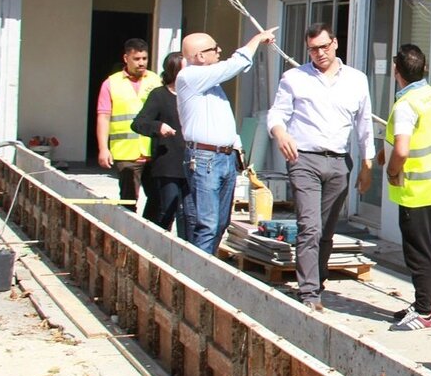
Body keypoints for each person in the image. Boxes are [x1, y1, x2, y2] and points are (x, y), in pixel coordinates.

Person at [266, 23, 374, 312]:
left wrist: (367, 163)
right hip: (304, 160)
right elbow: (277, 113)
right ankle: (309, 292)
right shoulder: (294, 78)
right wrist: (280, 133)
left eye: (324, 46)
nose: (320, 53)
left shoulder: (356, 80)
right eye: (314, 49)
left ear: (335, 44)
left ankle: (318, 279)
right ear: (307, 50)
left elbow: (364, 124)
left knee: (326, 229)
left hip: (339, 161)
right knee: (309, 227)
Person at [177, 27, 277, 254]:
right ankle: (198, 275)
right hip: (205, 159)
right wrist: (257, 40)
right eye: (214, 48)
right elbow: (234, 65)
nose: (219, 50)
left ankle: (207, 266)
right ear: (200, 56)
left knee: (221, 223)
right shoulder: (190, 76)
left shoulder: (210, 84)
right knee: (208, 224)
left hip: (224, 158)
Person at [381, 44, 431, 331]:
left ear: (396, 71)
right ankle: (422, 303)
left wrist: (391, 170)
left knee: (418, 253)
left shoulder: (406, 105)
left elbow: (402, 149)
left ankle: (424, 311)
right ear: (424, 69)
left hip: (415, 191)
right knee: (423, 247)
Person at [96, 37, 161, 220]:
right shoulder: (112, 83)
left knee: (158, 198)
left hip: (152, 150)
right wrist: (103, 148)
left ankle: (150, 231)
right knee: (129, 200)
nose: (141, 63)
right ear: (126, 58)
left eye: (144, 59)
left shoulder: (156, 80)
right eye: (137, 59)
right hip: (126, 153)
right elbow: (104, 116)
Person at [131, 51, 189, 238]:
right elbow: (139, 123)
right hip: (168, 164)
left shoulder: (194, 96)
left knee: (189, 213)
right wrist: (158, 126)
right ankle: (154, 242)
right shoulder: (159, 95)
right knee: (167, 207)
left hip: (193, 163)